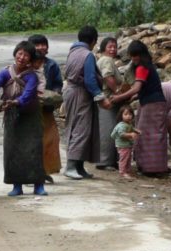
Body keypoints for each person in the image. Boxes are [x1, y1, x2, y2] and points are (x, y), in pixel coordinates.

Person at [0, 41, 46, 196]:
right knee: (12, 150)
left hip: (31, 116)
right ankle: (16, 185)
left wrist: (16, 102)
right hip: (12, 117)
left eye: (26, 55)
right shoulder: (5, 72)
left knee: (34, 149)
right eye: (20, 53)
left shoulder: (32, 76)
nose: (22, 57)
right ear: (15, 54)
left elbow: (28, 94)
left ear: (30, 59)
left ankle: (38, 185)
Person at [111, 40, 168, 175]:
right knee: (156, 135)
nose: (133, 59)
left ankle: (149, 167)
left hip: (151, 104)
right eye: (131, 56)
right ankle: (157, 166)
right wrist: (133, 97)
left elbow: (137, 88)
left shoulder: (142, 67)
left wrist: (119, 97)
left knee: (145, 134)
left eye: (135, 55)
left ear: (142, 54)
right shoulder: (149, 66)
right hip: (156, 102)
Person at [63, 25, 110, 180]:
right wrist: (100, 96)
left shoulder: (72, 51)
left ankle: (79, 167)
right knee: (81, 129)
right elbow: (90, 80)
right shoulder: (87, 55)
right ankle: (70, 166)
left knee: (77, 126)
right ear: (94, 41)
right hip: (81, 93)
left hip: (70, 92)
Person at [27, 34, 63, 184]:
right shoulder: (25, 64)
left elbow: (57, 84)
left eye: (44, 44)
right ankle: (29, 173)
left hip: (46, 108)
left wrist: (54, 95)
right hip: (29, 110)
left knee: (49, 140)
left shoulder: (52, 65)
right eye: (38, 44)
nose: (41, 47)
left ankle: (44, 171)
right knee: (31, 141)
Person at [95, 37, 124, 170]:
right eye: (110, 47)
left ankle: (109, 160)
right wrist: (117, 91)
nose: (113, 49)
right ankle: (105, 161)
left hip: (105, 99)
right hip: (108, 99)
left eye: (115, 46)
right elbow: (107, 76)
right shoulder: (106, 60)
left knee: (108, 129)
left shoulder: (103, 60)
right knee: (109, 130)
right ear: (103, 48)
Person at [111, 107, 139, 180]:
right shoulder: (121, 125)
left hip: (127, 145)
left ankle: (127, 171)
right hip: (123, 145)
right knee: (124, 159)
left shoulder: (128, 124)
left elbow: (132, 128)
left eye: (130, 114)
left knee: (128, 158)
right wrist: (130, 135)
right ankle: (122, 172)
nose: (128, 116)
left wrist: (137, 131)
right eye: (125, 114)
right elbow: (121, 134)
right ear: (121, 116)